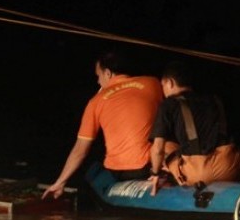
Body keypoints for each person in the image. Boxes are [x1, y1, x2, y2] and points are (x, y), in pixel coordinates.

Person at [42, 50, 163, 200]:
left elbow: (80, 149)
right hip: (149, 167)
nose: (98, 81)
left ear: (107, 73)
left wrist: (60, 182)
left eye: (98, 76)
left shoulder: (95, 102)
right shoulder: (152, 83)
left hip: (118, 171)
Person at [148, 60, 240, 195]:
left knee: (165, 146)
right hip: (228, 166)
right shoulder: (215, 99)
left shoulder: (168, 105)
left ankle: (171, 180)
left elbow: (158, 149)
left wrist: (155, 173)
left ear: (170, 82)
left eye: (163, 85)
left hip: (200, 173)